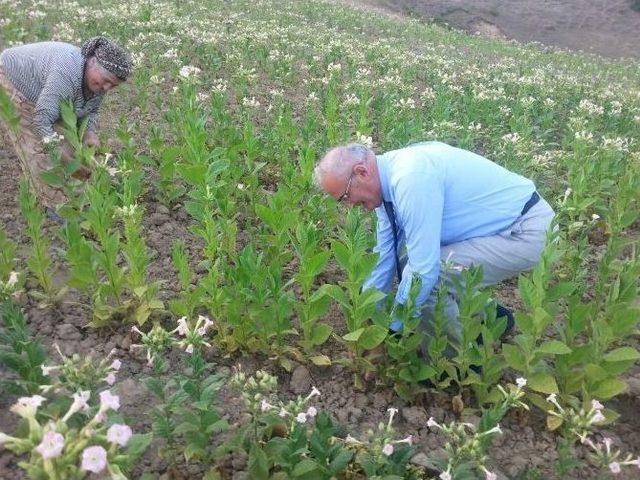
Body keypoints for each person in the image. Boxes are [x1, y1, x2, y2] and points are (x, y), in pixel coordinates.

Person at [314, 141, 555, 344]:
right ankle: (489, 318)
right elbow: (385, 254)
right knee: (406, 256)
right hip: (500, 227)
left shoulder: (410, 178)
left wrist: (393, 333)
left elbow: (424, 272)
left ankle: (454, 365)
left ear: (361, 172)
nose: (348, 205)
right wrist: (367, 316)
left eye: (345, 196)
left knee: (432, 276)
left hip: (524, 231)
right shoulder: (386, 185)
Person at [0, 37, 132, 209]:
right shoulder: (66, 73)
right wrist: (64, 160)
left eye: (113, 86)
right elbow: (41, 121)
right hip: (12, 79)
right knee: (40, 150)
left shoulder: (98, 82)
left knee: (70, 144)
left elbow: (90, 110)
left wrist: (89, 133)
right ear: (92, 62)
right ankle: (56, 207)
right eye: (106, 81)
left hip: (47, 90)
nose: (106, 88)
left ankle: (78, 197)